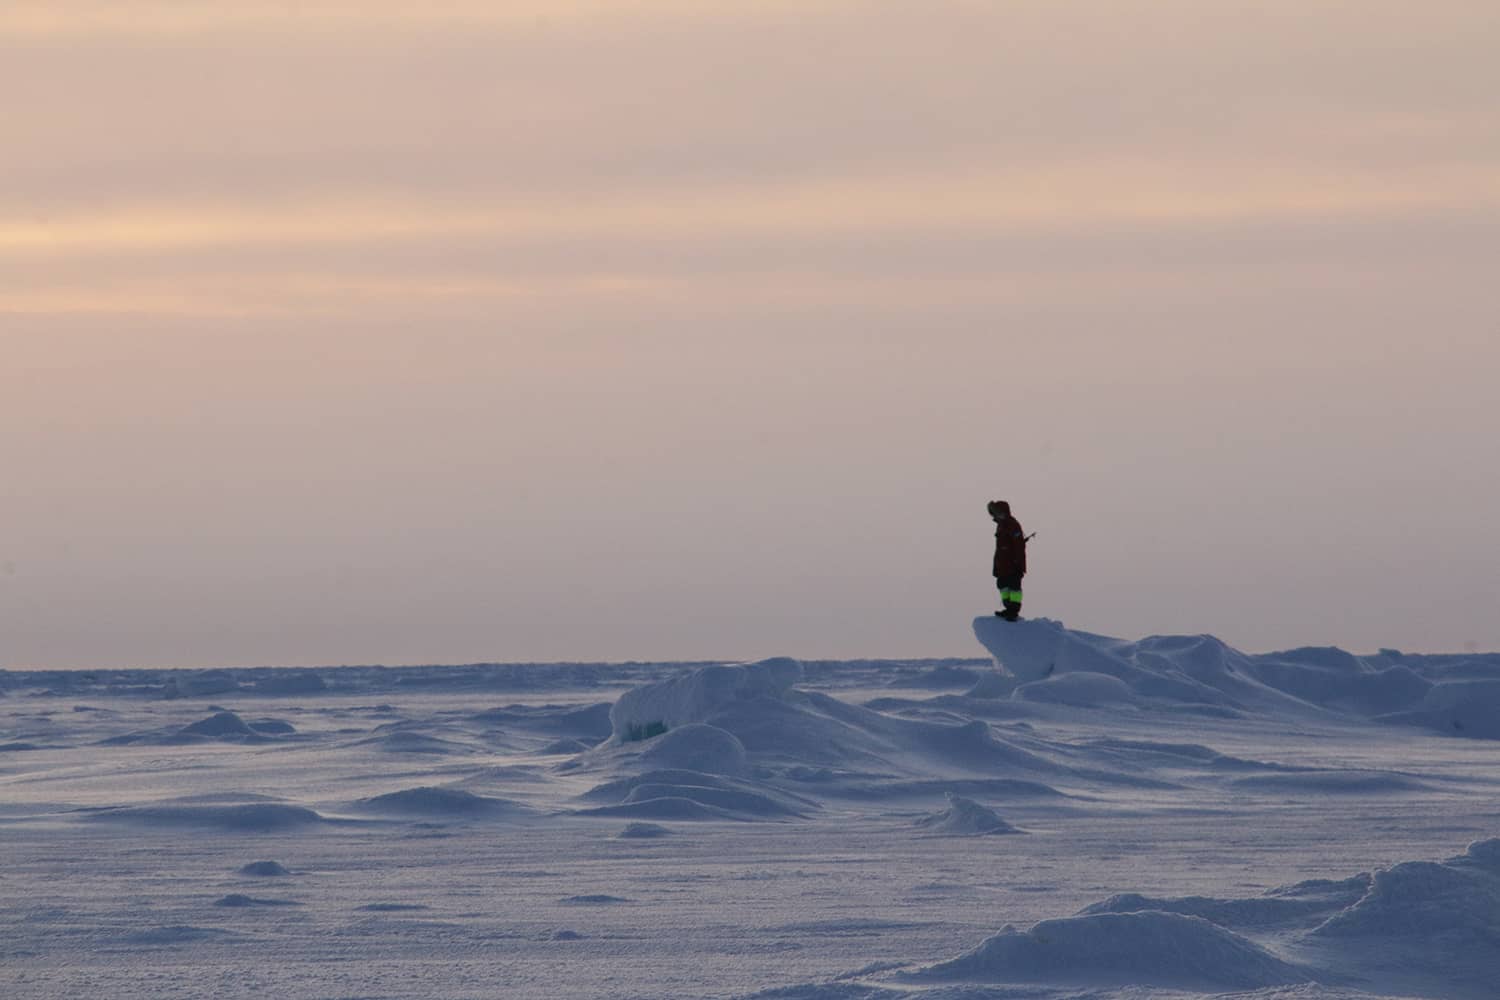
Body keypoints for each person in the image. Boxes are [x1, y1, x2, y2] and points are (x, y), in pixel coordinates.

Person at [988, 500, 1027, 621]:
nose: (995, 515)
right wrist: (996, 567)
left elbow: (1019, 546)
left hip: (1013, 565)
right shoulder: (1001, 526)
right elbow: (999, 550)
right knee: (1002, 585)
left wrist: (1017, 563)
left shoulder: (1012, 524)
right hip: (1002, 566)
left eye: (997, 513)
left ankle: (1013, 610)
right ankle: (1007, 608)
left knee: (1014, 586)